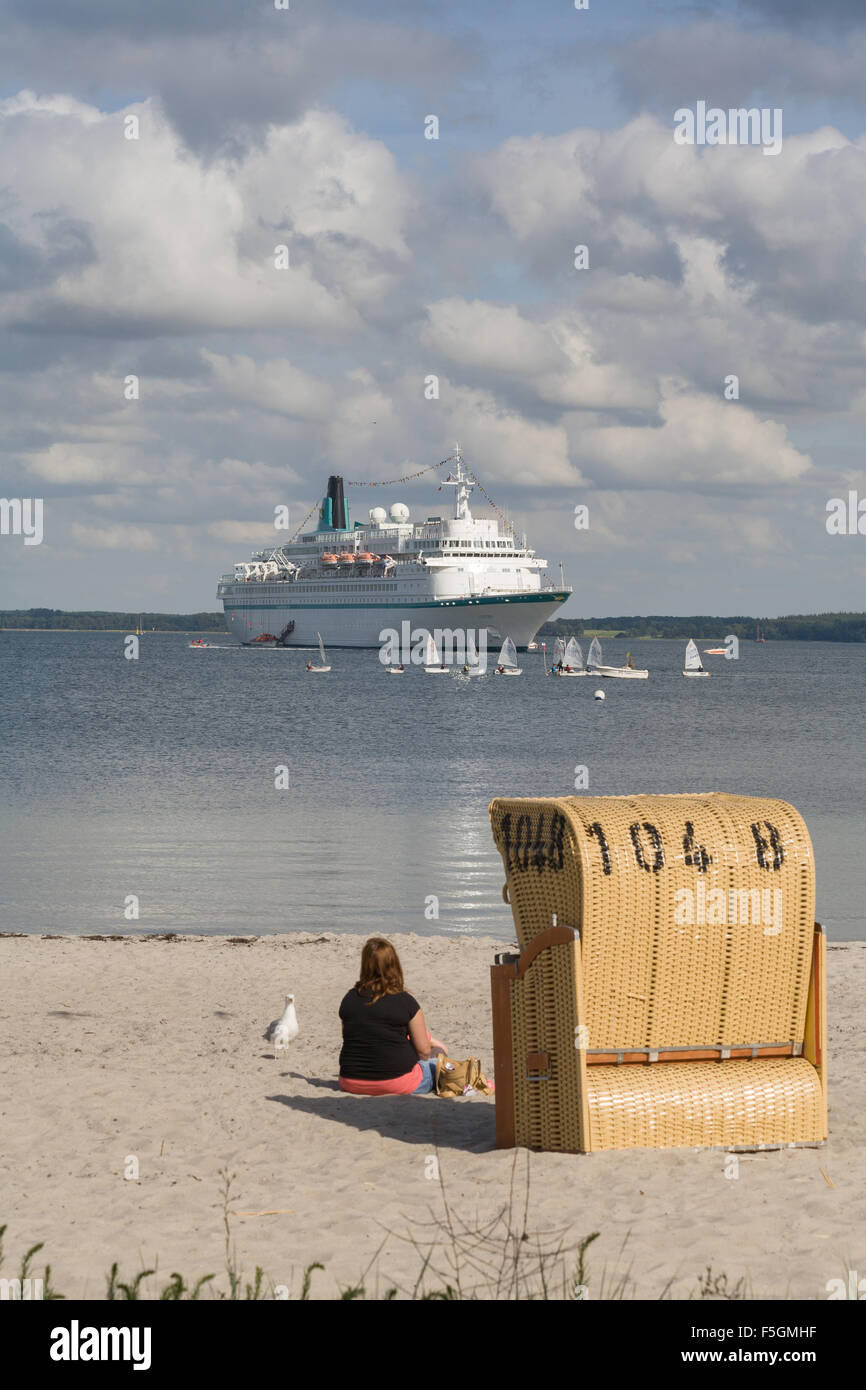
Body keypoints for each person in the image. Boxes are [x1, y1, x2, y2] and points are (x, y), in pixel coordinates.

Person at [338, 937, 448, 1095]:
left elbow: (352, 1035)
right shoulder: (405, 1001)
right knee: (438, 1053)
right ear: (394, 964)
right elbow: (423, 1052)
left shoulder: (349, 999)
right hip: (397, 1082)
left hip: (350, 1081)